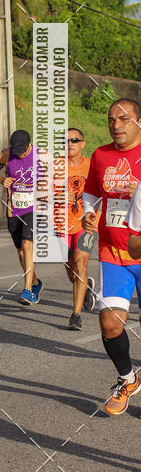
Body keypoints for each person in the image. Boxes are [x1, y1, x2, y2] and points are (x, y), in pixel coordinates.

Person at [82, 98, 141, 415]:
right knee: (110, 324)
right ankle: (128, 379)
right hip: (113, 253)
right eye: (110, 119)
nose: (116, 125)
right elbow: (91, 192)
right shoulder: (101, 155)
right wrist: (89, 213)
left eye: (123, 119)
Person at [0, 129, 43, 305]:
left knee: (27, 244)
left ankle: (27, 290)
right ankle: (35, 283)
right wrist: (1, 179)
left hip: (34, 208)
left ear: (30, 144)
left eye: (23, 151)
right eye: (17, 151)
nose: (20, 154)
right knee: (21, 253)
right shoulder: (6, 154)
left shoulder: (41, 155)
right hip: (14, 209)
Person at [55, 128, 98, 330]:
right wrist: (56, 196)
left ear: (82, 144)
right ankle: (85, 285)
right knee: (72, 273)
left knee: (81, 265)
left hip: (85, 225)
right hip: (60, 224)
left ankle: (76, 315)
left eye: (74, 140)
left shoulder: (92, 166)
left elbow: (103, 192)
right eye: (65, 141)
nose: (69, 143)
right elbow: (38, 195)